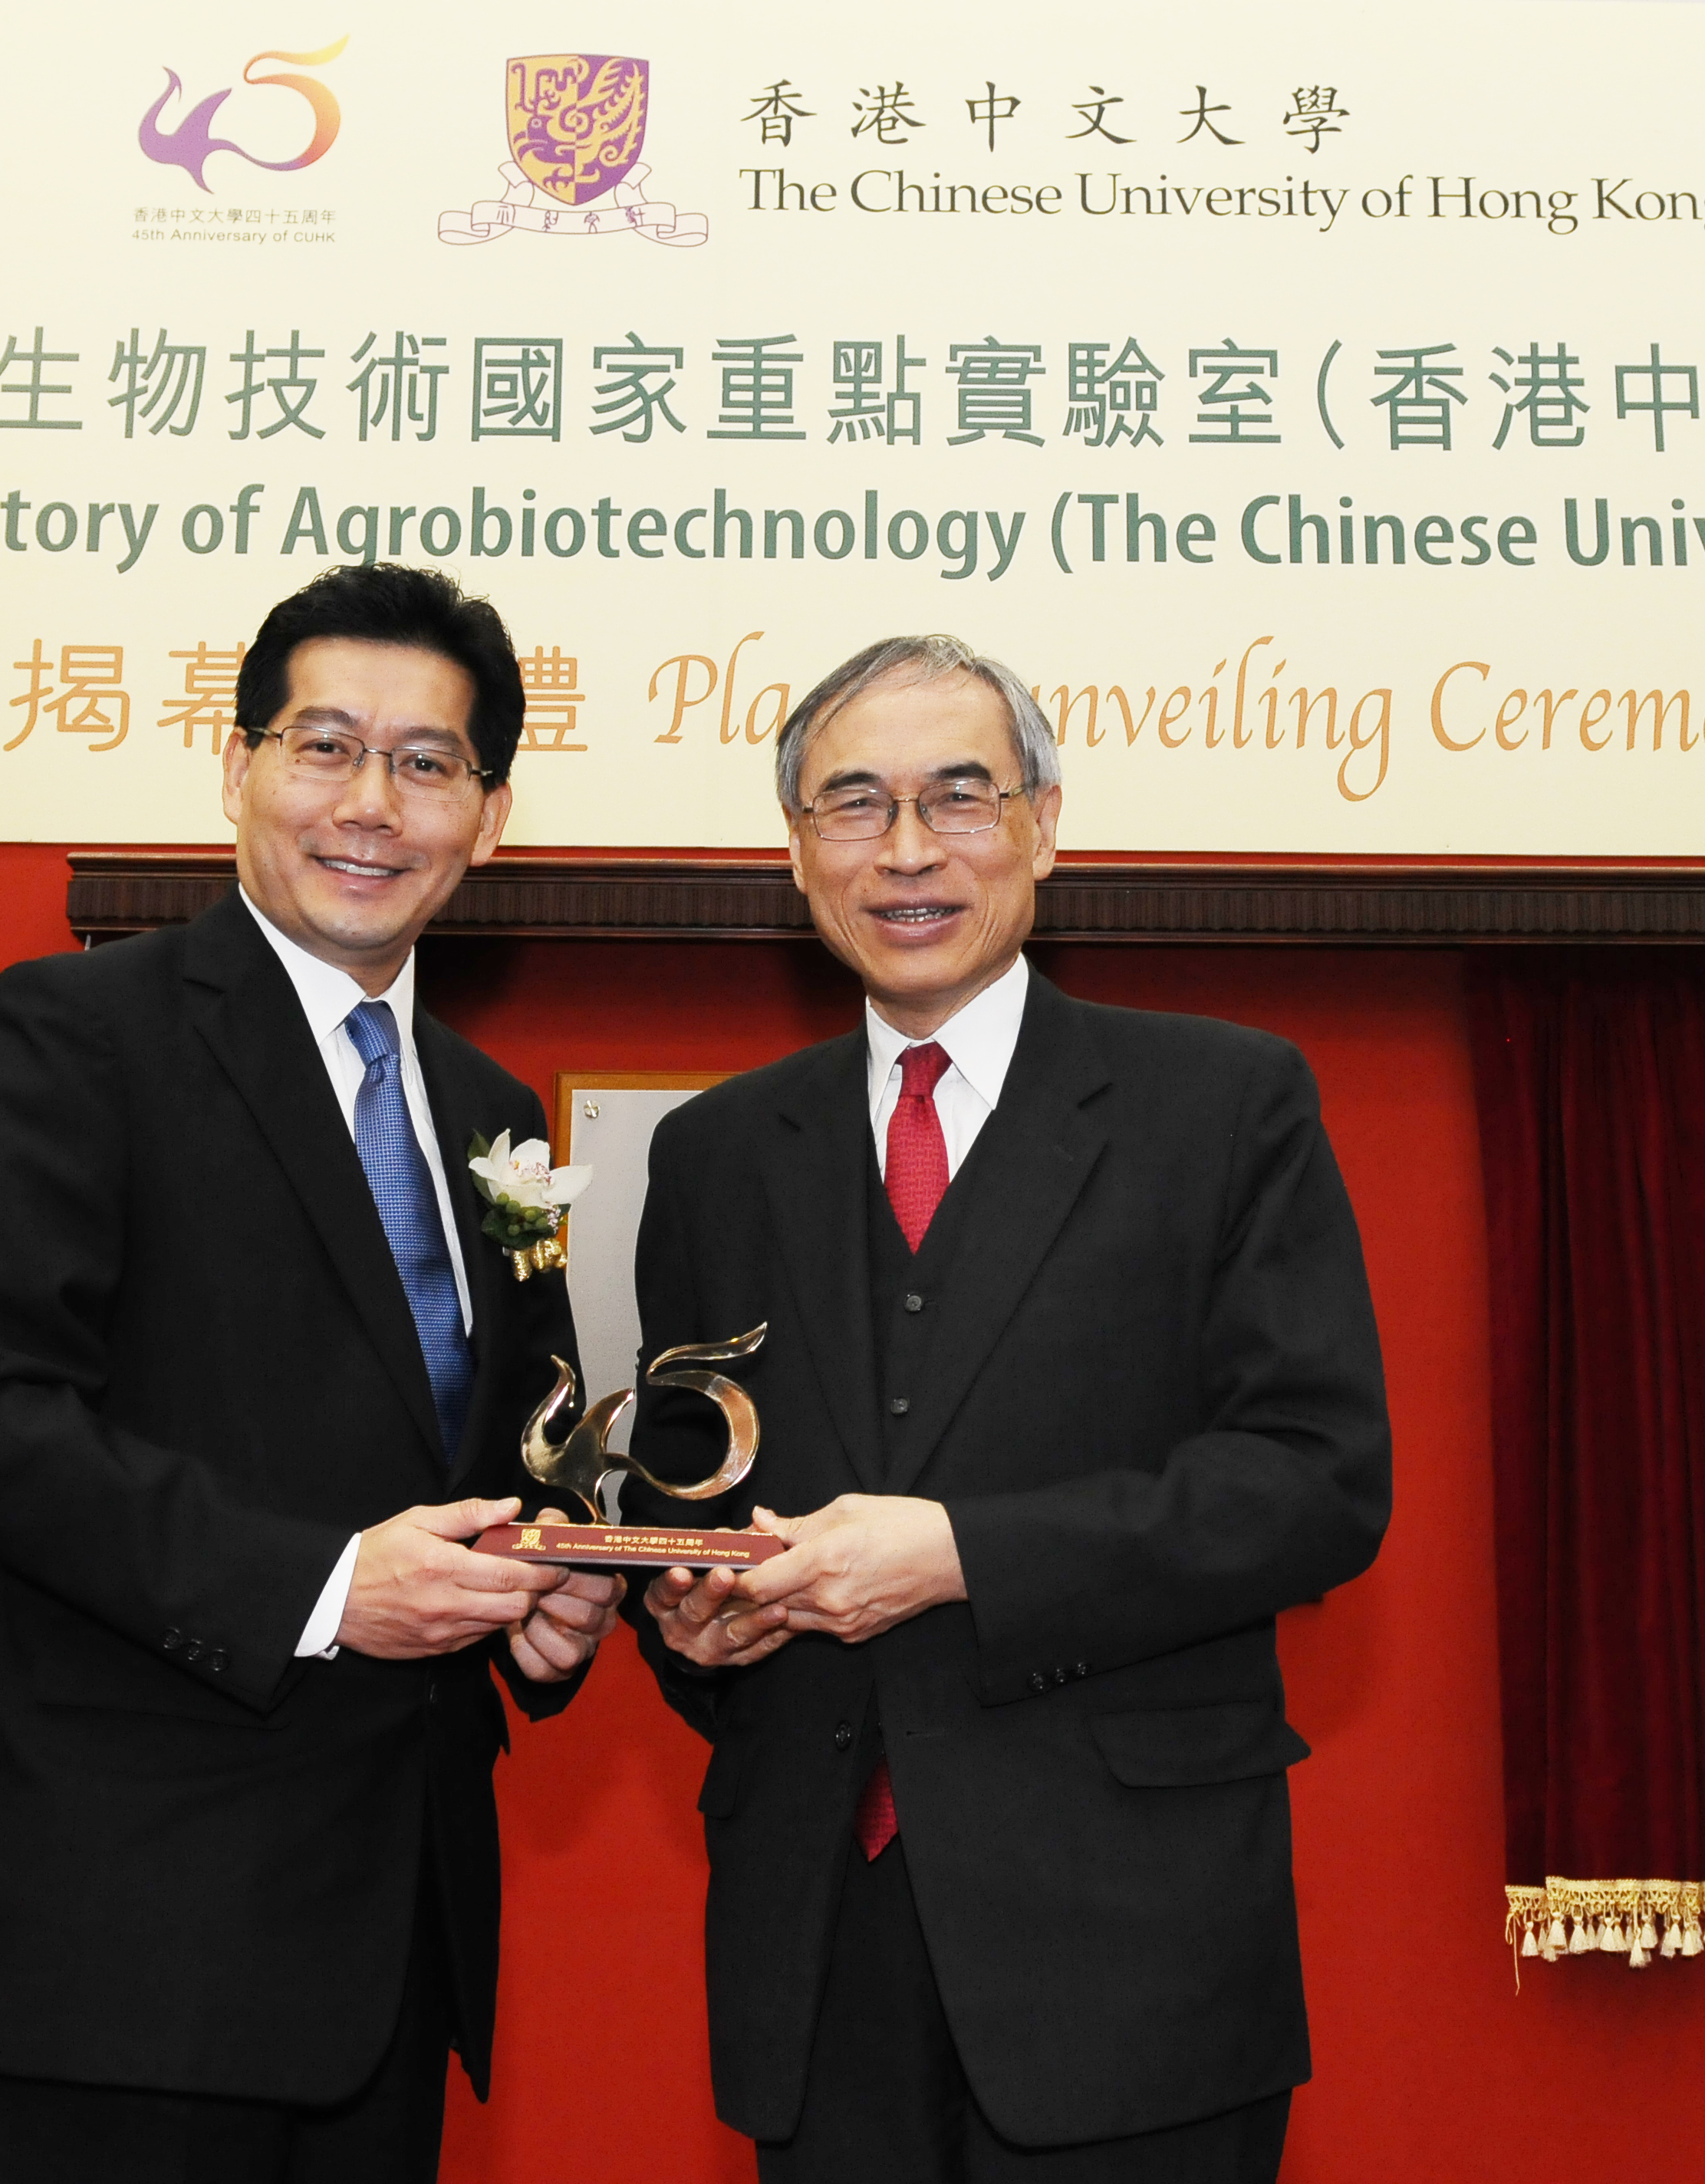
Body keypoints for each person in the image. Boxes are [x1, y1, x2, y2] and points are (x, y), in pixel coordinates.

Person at [0, 562, 619, 2184]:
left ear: (486, 813)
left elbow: (515, 1454)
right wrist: (326, 1583)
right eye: (325, 744)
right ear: (236, 768)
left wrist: (550, 1596)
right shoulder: (77, 1032)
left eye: (427, 763)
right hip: (124, 1947)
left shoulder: (492, 1106)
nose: (371, 801)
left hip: (386, 1947)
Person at [625, 635, 1393, 2183]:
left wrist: (962, 1550)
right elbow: (693, 1506)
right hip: (819, 1937)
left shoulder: (1221, 1104)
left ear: (1041, 820)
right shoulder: (715, 1154)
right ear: (797, 851)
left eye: (957, 797)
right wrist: (688, 1621)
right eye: (851, 805)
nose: (906, 849)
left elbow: (1316, 1481)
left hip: (1127, 1942)